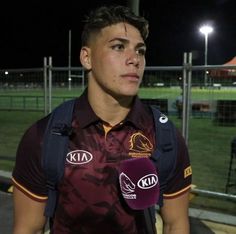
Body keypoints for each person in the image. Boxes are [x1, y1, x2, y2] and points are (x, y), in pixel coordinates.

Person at [12, 5, 192, 234]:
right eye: (119, 46)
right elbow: (27, 228)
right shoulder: (44, 137)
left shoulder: (165, 137)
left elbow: (176, 224)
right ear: (87, 58)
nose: (134, 59)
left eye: (140, 51)